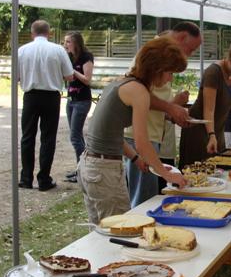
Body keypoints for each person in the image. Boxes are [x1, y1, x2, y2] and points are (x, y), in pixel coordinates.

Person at [77, 37, 188, 224]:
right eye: (169, 72)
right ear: (157, 69)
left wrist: (136, 158)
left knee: (101, 231)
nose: (171, 78)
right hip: (104, 170)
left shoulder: (124, 83)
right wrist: (166, 174)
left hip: (91, 165)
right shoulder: (139, 92)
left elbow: (112, 134)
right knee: (120, 228)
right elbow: (142, 142)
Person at [124, 22, 201, 207]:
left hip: (150, 136)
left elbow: (150, 101)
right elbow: (140, 96)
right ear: (182, 37)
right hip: (141, 137)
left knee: (149, 197)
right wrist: (171, 107)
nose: (190, 54)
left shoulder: (161, 55)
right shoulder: (152, 54)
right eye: (191, 49)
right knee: (143, 201)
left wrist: (171, 114)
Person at [179, 36, 231, 169]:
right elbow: (208, 109)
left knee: (218, 168)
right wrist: (211, 135)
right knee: (197, 170)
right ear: (228, 59)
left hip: (217, 128)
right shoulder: (213, 73)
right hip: (199, 129)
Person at [18, 20, 74, 191]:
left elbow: (16, 76)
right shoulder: (58, 50)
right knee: (48, 138)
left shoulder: (22, 50)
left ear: (32, 33)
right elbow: (69, 75)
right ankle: (44, 179)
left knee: (27, 136)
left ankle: (26, 178)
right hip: (51, 96)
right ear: (49, 33)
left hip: (30, 95)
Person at [63, 31, 94, 183]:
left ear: (76, 43)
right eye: (65, 42)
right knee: (76, 136)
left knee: (75, 137)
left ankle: (82, 171)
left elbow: (87, 79)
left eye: (68, 42)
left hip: (82, 101)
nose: (65, 45)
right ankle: (80, 168)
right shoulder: (68, 57)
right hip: (71, 99)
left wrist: (73, 70)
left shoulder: (86, 57)